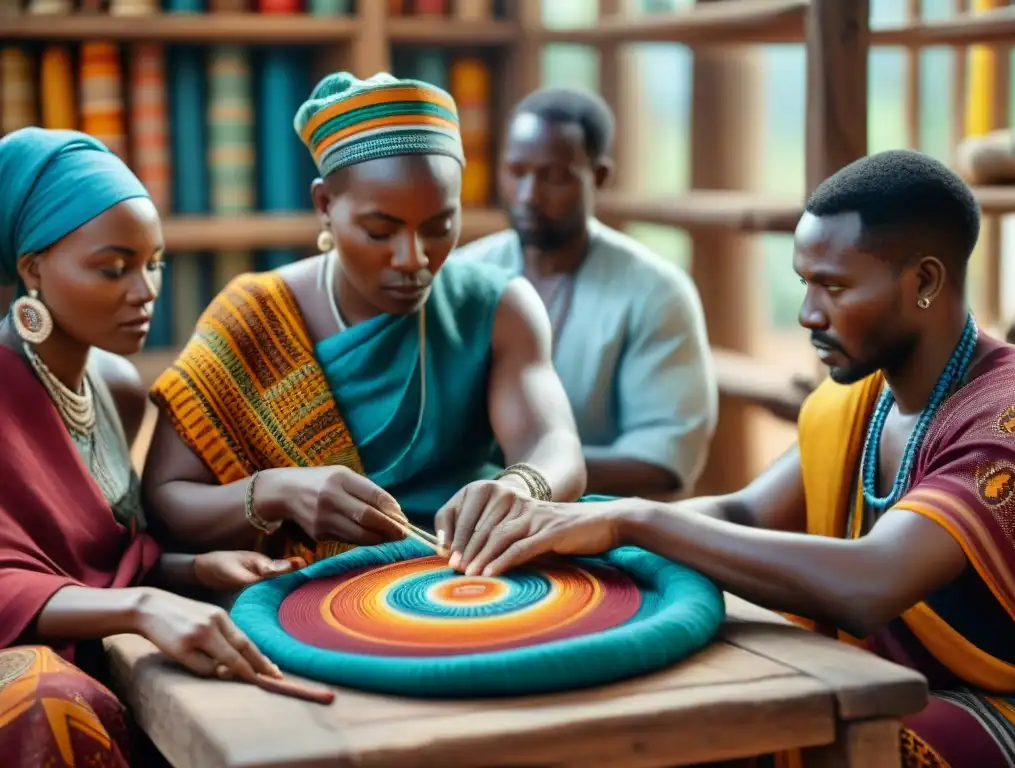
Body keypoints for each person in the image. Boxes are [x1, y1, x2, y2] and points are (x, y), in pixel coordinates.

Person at [438, 150, 1015, 767]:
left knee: (770, 737)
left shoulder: (1006, 417)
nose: (808, 314)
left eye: (835, 286)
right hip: (872, 677)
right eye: (804, 283)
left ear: (926, 282)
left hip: (992, 706)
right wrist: (577, 529)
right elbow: (744, 511)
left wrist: (634, 521)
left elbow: (870, 582)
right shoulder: (869, 401)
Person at [142, 72, 587, 568]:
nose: (413, 258)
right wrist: (278, 491)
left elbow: (555, 445)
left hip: (470, 568)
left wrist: (521, 486)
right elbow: (165, 501)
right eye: (381, 230)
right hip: (307, 594)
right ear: (325, 206)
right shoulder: (254, 318)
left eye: (440, 227)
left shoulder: (497, 305)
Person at [0, 128, 302, 767]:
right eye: (114, 268)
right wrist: (140, 606)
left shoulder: (115, 385)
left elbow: (94, 559)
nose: (145, 291)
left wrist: (193, 570)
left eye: (154, 262)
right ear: (31, 268)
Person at [454, 86, 717, 500]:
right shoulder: (463, 275)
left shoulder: (655, 292)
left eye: (553, 176)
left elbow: (663, 465)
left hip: (606, 527)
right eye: (516, 171)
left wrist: (520, 476)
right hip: (468, 516)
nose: (528, 195)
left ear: (599, 177)